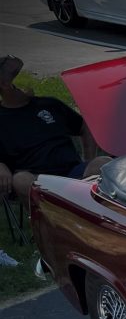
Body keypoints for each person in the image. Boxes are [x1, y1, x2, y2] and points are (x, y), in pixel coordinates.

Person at [0, 54, 110, 211]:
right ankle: (53, 225)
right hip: (38, 180)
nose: (29, 82)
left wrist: (88, 158)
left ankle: (87, 215)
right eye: (18, 77)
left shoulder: (48, 104)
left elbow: (85, 126)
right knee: (21, 180)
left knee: (103, 162)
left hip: (73, 173)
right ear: (5, 85)